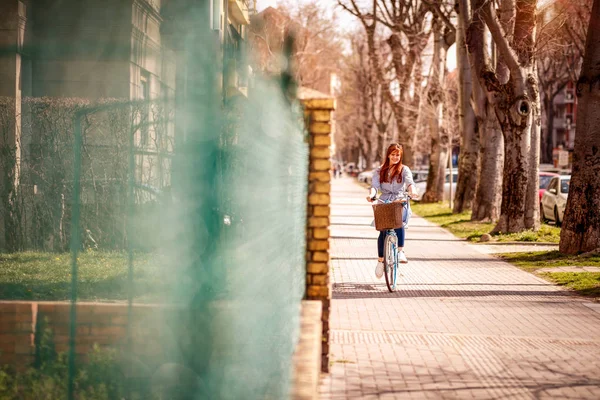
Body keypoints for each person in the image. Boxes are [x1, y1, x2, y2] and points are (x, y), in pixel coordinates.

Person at [366, 143, 418, 279]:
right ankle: (380, 261)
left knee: (398, 221)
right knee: (383, 230)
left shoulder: (404, 169)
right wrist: (372, 195)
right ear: (388, 155)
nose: (395, 157)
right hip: (384, 201)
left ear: (400, 156)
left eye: (398, 155)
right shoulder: (379, 170)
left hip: (400, 201)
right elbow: (374, 187)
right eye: (393, 154)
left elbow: (410, 183)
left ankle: (400, 251)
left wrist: (413, 192)